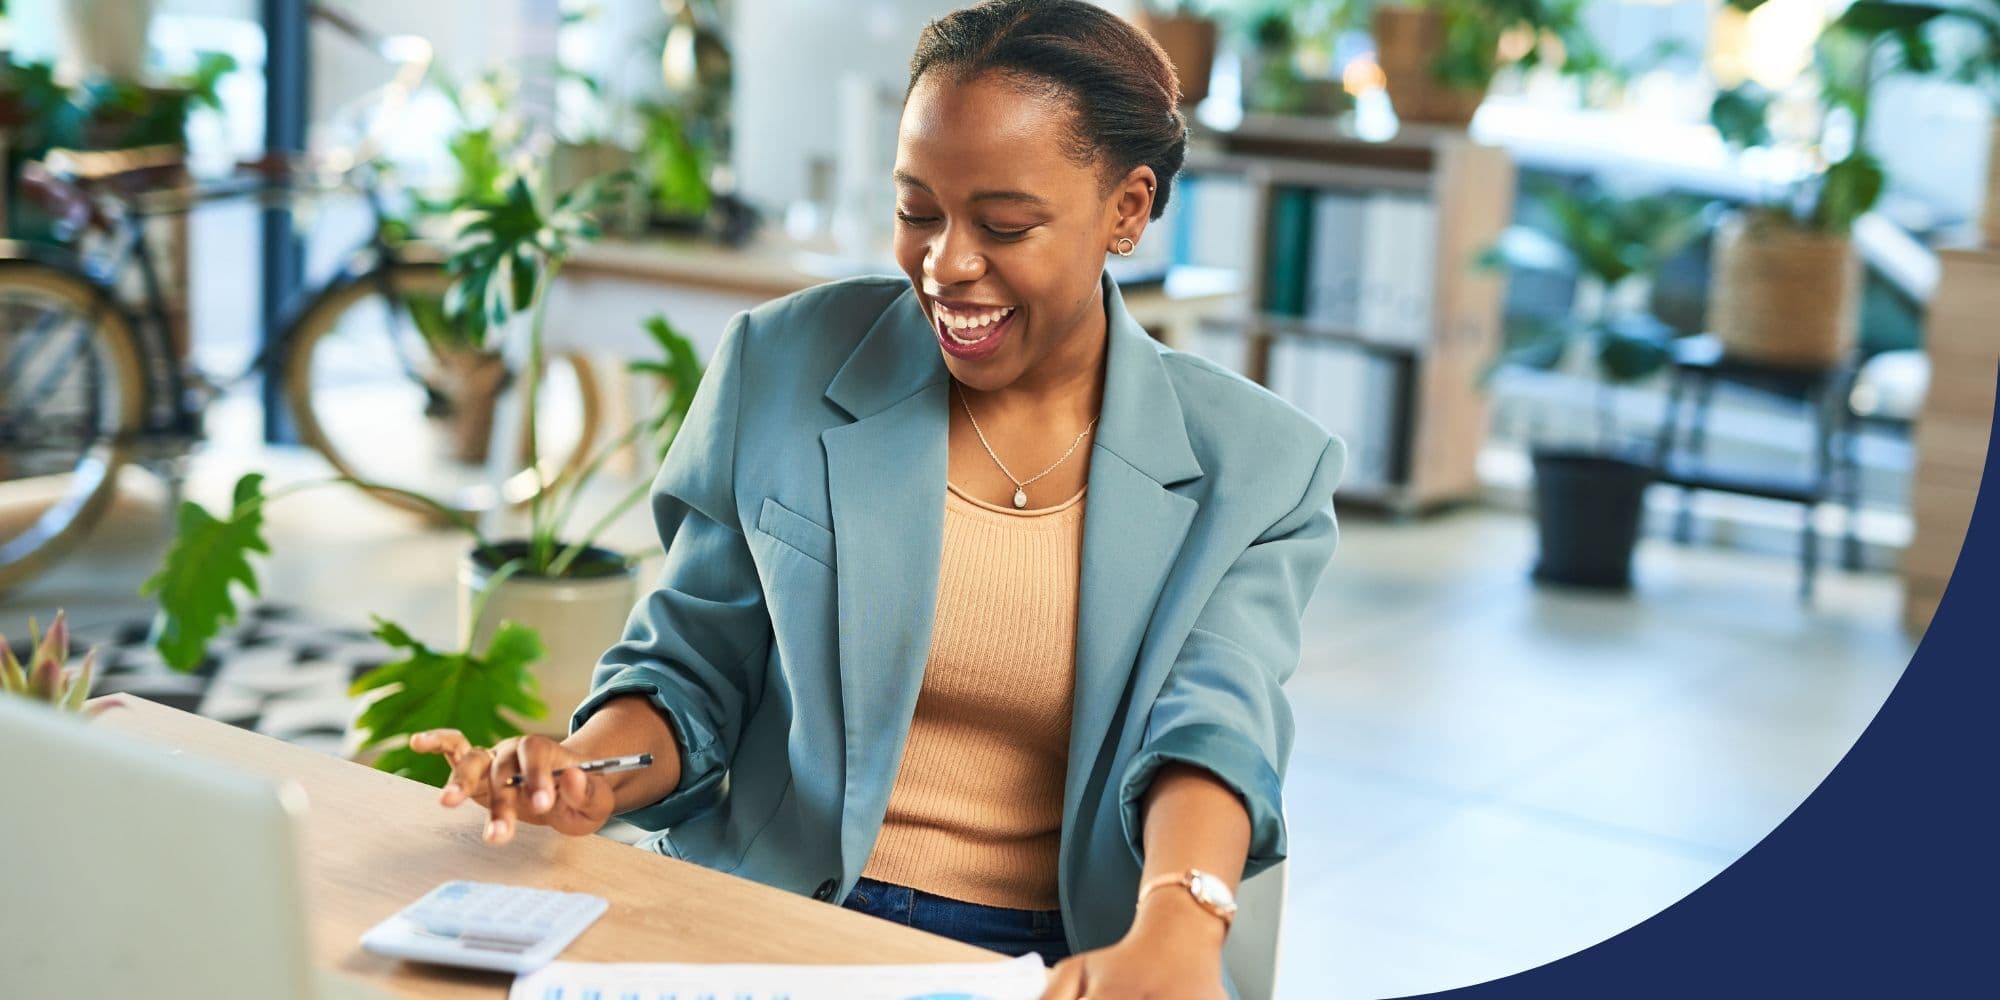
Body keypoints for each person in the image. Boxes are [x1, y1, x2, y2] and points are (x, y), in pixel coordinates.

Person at [410, 1, 1343, 995]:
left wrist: (1177, 925)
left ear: (1126, 210)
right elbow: (690, 667)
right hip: (764, 914)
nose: (945, 263)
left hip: (1037, 956)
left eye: (1004, 224)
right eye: (916, 210)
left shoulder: (1260, 467)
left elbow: (1209, 722)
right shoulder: (782, 362)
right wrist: (588, 769)